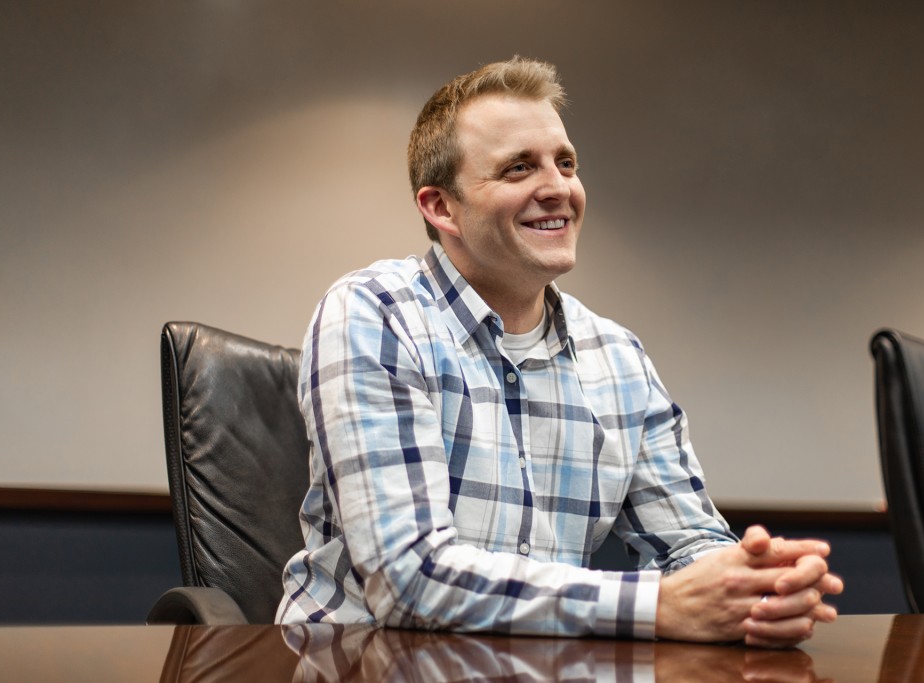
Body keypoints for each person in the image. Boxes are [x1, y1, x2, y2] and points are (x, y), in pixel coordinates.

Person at [278, 56, 843, 647]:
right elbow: (406, 577)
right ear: (441, 208)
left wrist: (753, 589)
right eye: (519, 168)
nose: (558, 189)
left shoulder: (618, 356)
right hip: (359, 662)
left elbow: (688, 543)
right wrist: (655, 606)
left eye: (565, 163)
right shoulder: (375, 313)